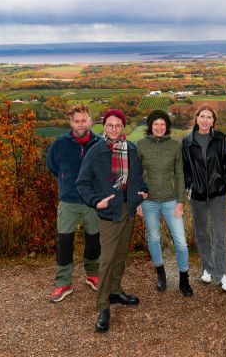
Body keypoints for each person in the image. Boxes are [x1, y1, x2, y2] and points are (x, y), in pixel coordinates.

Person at [76, 108, 148, 333]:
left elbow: (137, 177)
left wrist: (142, 193)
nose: (114, 129)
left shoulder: (131, 148)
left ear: (123, 127)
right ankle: (103, 306)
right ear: (104, 127)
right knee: (107, 259)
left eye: (118, 125)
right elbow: (82, 183)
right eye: (109, 125)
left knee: (120, 254)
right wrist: (96, 202)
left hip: (128, 210)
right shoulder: (96, 152)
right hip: (109, 212)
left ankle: (115, 291)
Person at [46, 103, 101, 303]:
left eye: (83, 120)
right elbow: (52, 166)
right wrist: (66, 180)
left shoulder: (99, 143)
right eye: (76, 121)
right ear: (71, 122)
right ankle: (63, 283)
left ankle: (93, 275)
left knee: (94, 238)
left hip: (92, 201)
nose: (80, 124)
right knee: (64, 241)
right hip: (68, 200)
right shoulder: (59, 144)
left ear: (90, 121)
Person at [136, 109, 193, 297]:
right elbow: (136, 175)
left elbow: (179, 175)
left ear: (166, 127)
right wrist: (138, 200)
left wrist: (180, 201)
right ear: (150, 126)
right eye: (155, 124)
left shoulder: (174, 146)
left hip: (171, 201)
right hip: (148, 201)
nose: (159, 127)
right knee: (153, 238)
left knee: (181, 242)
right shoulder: (141, 145)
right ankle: (161, 274)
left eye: (162, 124)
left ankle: (184, 279)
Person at [181, 105, 226, 292]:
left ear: (213, 120)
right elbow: (183, 167)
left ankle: (221, 273)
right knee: (202, 233)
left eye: (209, 117)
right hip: (196, 195)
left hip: (217, 194)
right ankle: (207, 267)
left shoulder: (220, 138)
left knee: (220, 233)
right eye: (202, 116)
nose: (205, 120)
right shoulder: (187, 140)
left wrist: (225, 179)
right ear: (197, 119)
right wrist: (189, 185)